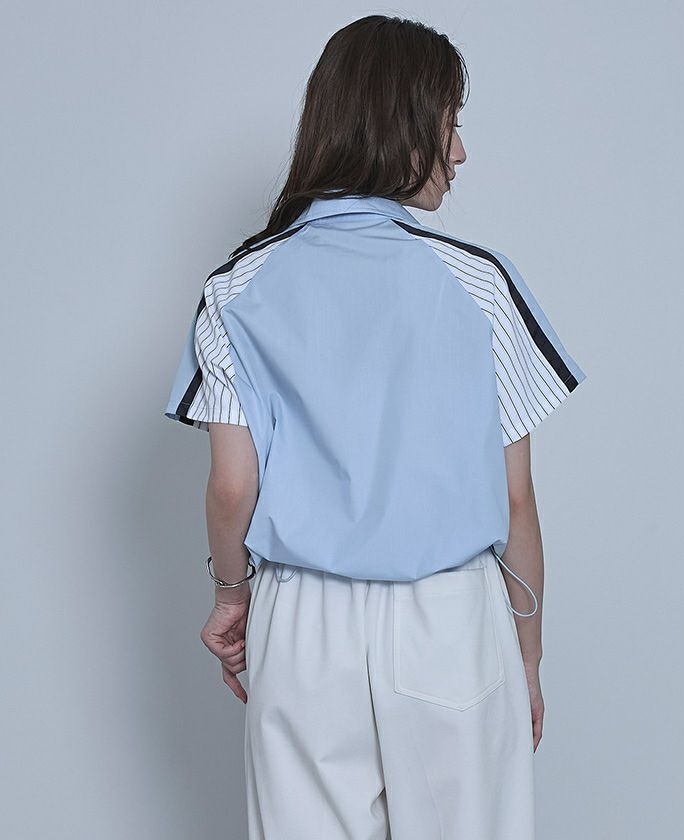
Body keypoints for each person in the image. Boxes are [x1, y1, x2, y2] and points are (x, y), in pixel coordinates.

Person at [163, 14, 587, 840]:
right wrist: (527, 656)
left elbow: (232, 485)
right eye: (449, 124)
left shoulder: (236, 287)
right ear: (399, 125)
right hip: (451, 621)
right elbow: (516, 500)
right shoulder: (479, 284)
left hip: (301, 626)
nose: (459, 153)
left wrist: (231, 594)